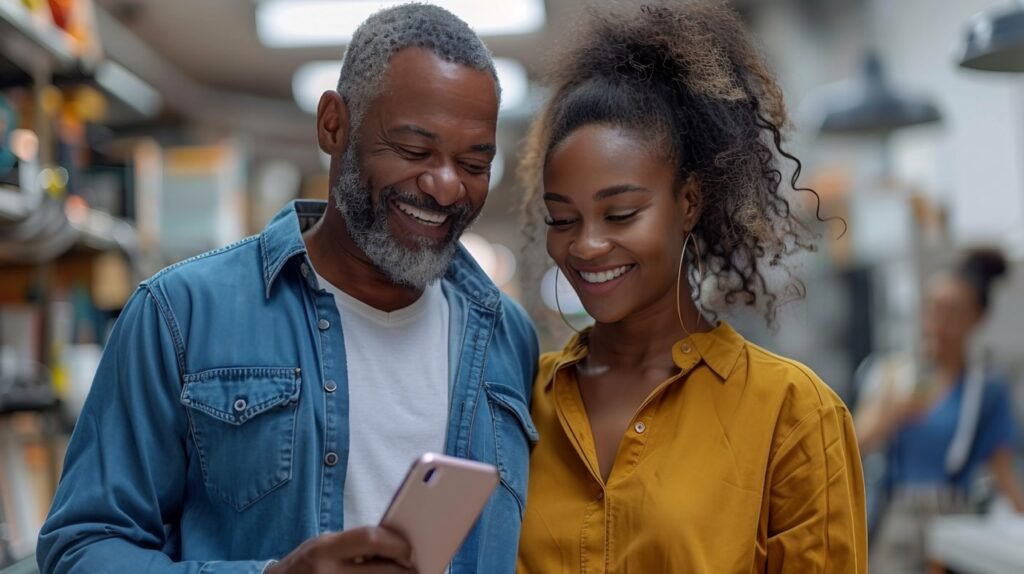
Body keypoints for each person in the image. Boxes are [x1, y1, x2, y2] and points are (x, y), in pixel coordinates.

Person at [37, 5, 538, 574]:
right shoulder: (181, 314)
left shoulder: (505, 335)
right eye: (414, 151)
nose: (446, 186)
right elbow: (82, 551)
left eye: (474, 162)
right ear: (333, 124)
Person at [515, 2, 867, 572]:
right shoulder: (521, 404)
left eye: (621, 213)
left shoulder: (792, 413)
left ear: (689, 201)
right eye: (563, 219)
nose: (586, 245)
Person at [856, 248, 1024, 573]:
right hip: (900, 518)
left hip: (958, 518)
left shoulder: (986, 389)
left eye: (951, 313)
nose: (938, 322)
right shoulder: (896, 374)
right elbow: (852, 445)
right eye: (932, 309)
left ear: (976, 318)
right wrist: (890, 415)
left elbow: (1003, 472)